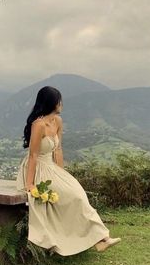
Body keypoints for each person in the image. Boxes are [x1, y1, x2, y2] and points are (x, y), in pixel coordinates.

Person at [16, 86, 121, 256]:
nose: (61, 104)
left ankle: (101, 238)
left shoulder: (57, 121)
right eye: (59, 100)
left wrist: (62, 174)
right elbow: (33, 155)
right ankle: (99, 238)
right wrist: (29, 183)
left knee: (78, 194)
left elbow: (58, 150)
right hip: (37, 169)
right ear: (52, 102)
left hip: (52, 168)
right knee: (73, 197)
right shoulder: (38, 125)